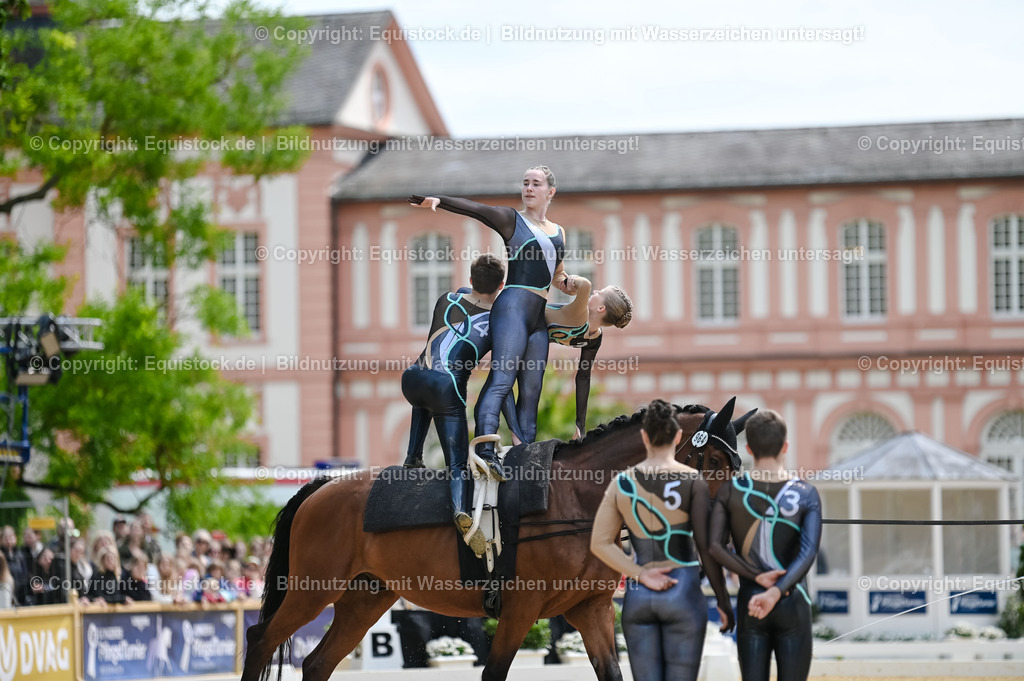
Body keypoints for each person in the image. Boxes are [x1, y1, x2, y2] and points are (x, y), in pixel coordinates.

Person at [409, 165, 568, 471]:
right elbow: (476, 209)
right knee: (502, 381)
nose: (529, 188)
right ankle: (485, 451)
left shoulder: (559, 232)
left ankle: (526, 457)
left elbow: (557, 275)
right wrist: (439, 200)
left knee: (532, 390)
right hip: (512, 309)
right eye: (525, 183)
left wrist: (569, 284)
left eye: (536, 184)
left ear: (550, 192)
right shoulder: (512, 219)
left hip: (538, 317)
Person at [590, 399, 734, 681]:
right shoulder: (693, 481)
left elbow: (600, 543)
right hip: (683, 595)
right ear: (678, 436)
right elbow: (707, 547)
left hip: (640, 597)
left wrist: (641, 573)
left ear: (644, 437)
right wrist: (723, 599)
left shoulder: (623, 482)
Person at [401, 254, 505, 555]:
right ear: (500, 286)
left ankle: (413, 455)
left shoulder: (448, 298)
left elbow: (465, 292)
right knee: (458, 464)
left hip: (412, 379)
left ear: (471, 280)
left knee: (424, 396)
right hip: (447, 388)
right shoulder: (499, 322)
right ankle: (461, 512)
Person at [709, 409, 822, 681]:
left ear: (748, 448)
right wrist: (776, 592)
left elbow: (714, 547)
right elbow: (808, 553)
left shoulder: (730, 491)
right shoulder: (806, 493)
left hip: (751, 601)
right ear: (785, 447)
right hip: (793, 601)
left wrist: (756, 577)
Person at [502, 275, 633, 442]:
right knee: (503, 381)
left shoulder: (591, 333)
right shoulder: (579, 314)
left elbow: (583, 377)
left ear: (601, 308)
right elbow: (584, 285)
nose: (596, 291)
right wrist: (568, 280)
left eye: (600, 293)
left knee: (524, 390)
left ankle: (519, 439)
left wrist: (580, 425)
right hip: (511, 317)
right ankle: (515, 433)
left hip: (526, 339)